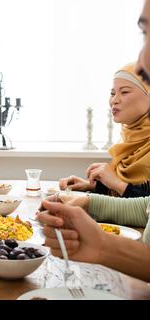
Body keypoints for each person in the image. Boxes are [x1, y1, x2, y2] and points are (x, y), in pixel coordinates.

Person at [37, 0, 150, 283]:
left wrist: (98, 198)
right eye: (144, 35)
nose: (141, 61)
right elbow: (146, 206)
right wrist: (90, 198)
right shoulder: (128, 140)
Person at [59, 63, 150, 197]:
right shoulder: (128, 141)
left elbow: (145, 207)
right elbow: (131, 194)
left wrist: (115, 183)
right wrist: (95, 186)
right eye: (112, 93)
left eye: (124, 92)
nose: (114, 100)